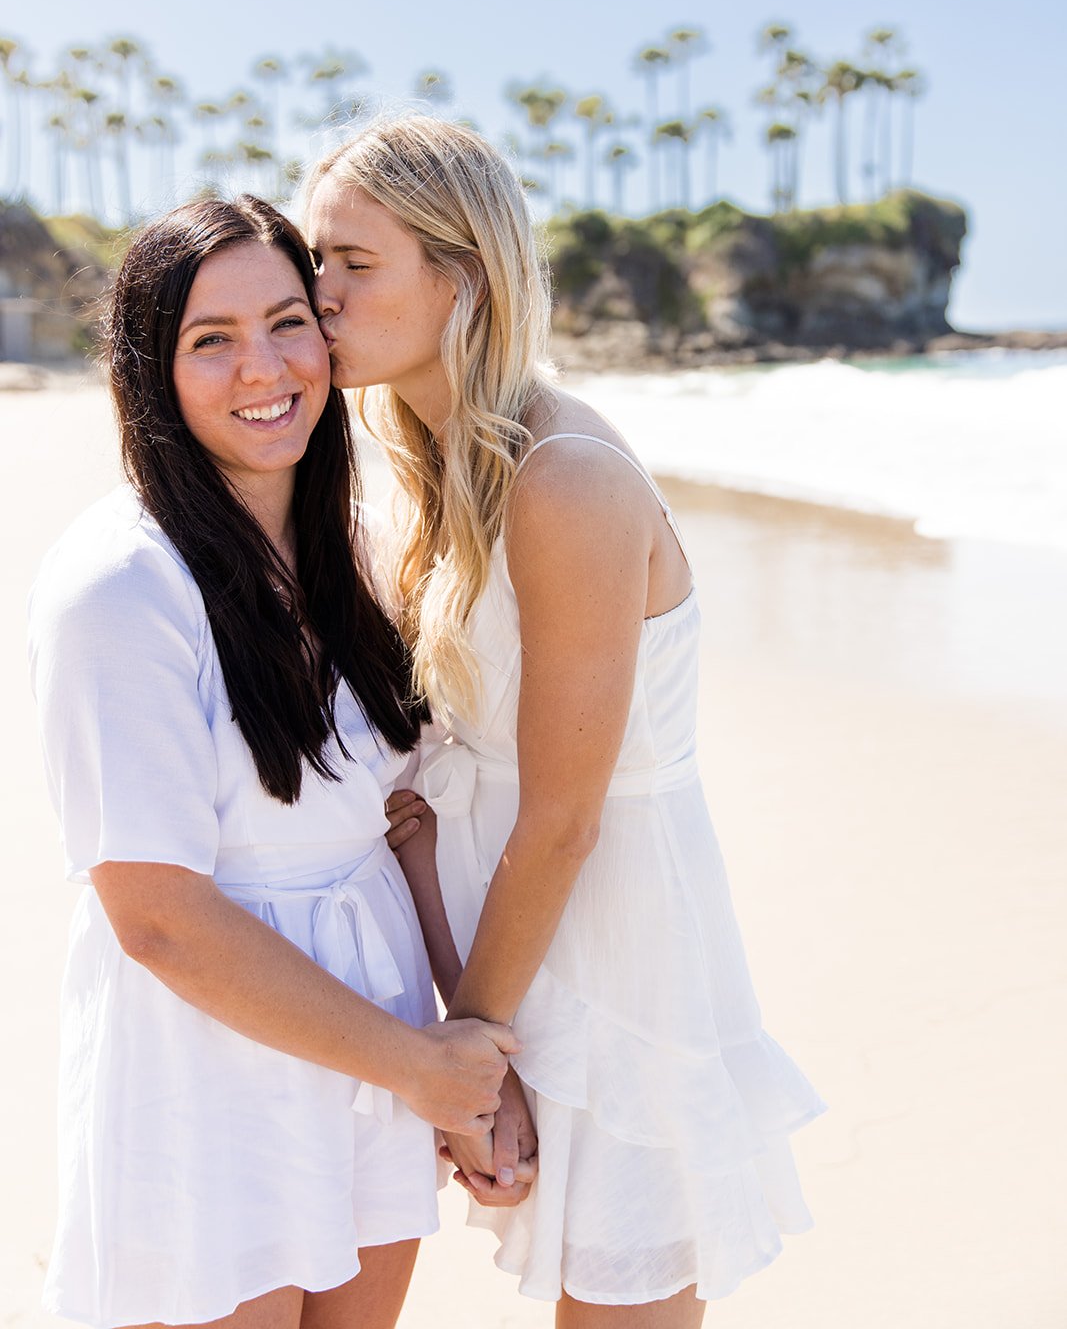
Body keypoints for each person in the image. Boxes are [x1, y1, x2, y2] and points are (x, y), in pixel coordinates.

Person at [305, 115, 826, 1327]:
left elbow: (563, 817)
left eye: (352, 262)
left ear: (461, 275)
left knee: (619, 1297)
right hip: (504, 939)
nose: (318, 292)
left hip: (608, 946)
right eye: (313, 259)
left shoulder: (565, 479)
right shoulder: (439, 465)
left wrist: (465, 1056)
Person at [27, 195, 518, 1329]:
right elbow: (155, 915)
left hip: (377, 1044)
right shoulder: (120, 586)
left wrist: (458, 1048)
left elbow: (399, 817)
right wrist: (415, 1063)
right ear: (151, 369)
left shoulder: (356, 550)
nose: (264, 365)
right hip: (212, 1065)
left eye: (287, 321)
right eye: (210, 339)